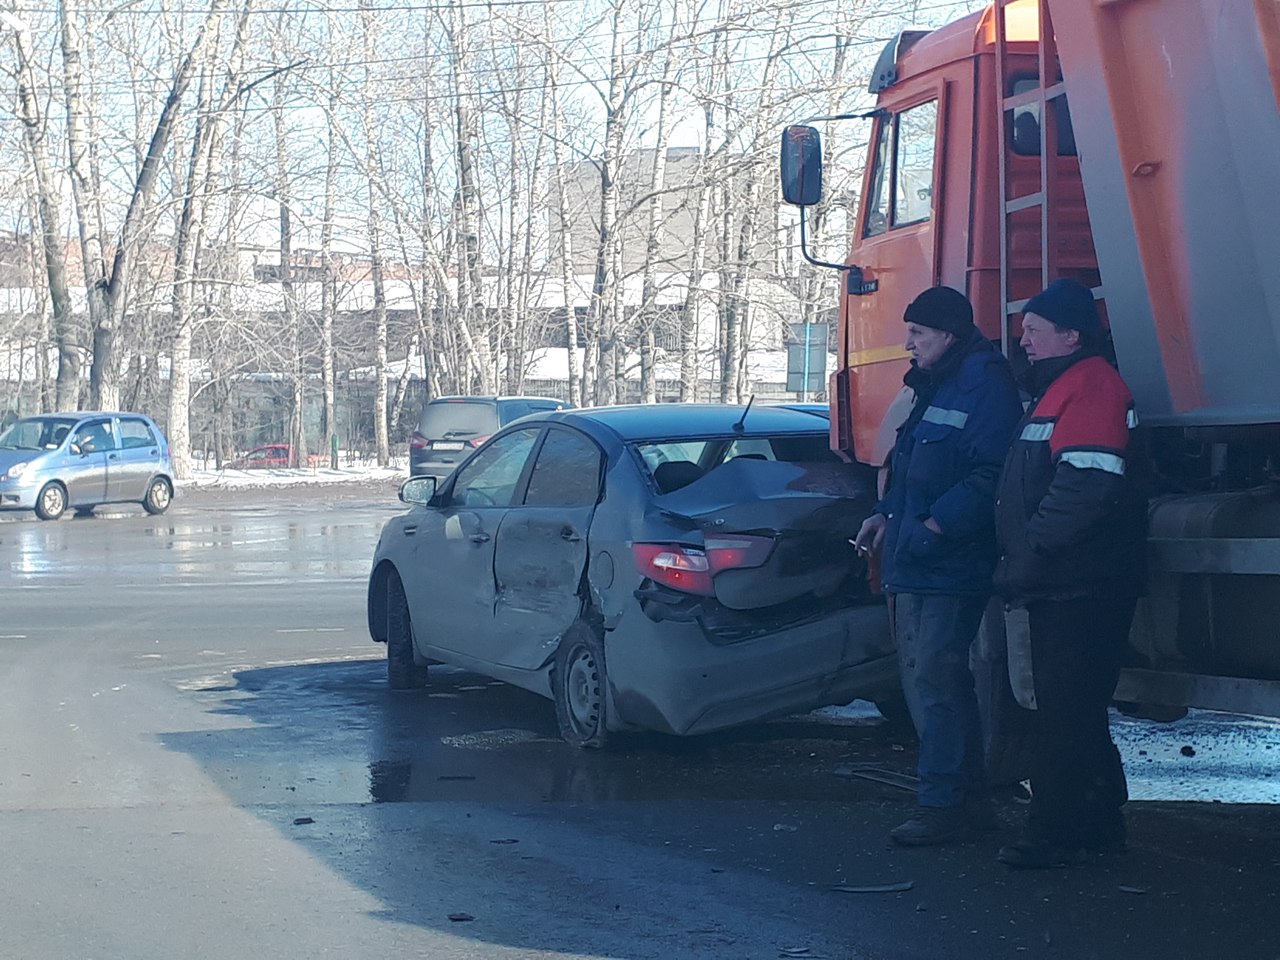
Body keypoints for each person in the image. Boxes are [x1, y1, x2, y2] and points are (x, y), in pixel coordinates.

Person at [854, 285, 1022, 846]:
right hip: (926, 556)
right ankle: (963, 801)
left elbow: (989, 474)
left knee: (937, 680)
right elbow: (911, 465)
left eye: (919, 334)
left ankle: (945, 804)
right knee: (939, 680)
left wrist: (933, 528)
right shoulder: (941, 381)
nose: (909, 344)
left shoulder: (982, 385)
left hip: (948, 562)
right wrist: (884, 513)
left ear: (947, 335)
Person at [992, 278, 1147, 869]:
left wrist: (1028, 556)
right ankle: (1097, 823)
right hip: (1076, 576)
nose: (1022, 338)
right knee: (1074, 707)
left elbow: (1083, 488)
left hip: (1080, 579)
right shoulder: (1069, 386)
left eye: (1034, 329)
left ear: (1070, 334)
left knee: (1064, 710)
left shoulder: (1089, 387)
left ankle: (1052, 831)